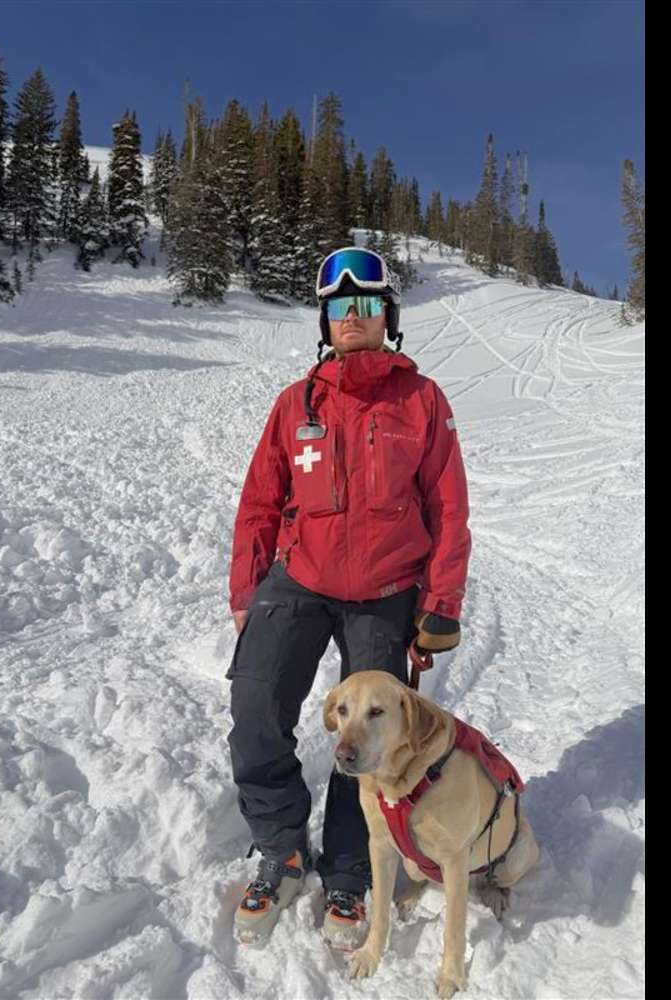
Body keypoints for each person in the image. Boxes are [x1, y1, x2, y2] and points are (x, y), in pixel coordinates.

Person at [226, 246, 472, 947]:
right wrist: (248, 591)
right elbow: (259, 503)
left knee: (374, 732)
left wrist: (442, 601)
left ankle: (349, 867)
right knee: (254, 704)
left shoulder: (420, 400)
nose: (352, 319)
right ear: (326, 321)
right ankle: (282, 845)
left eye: (366, 307)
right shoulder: (294, 404)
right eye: (340, 308)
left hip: (387, 591)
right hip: (298, 579)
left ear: (386, 318)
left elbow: (449, 507)